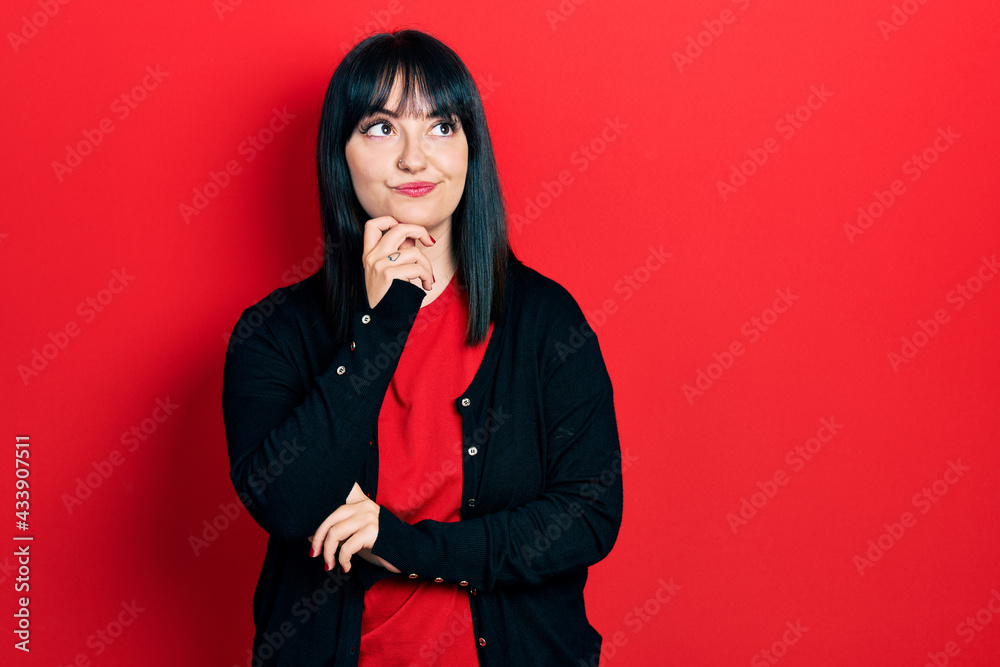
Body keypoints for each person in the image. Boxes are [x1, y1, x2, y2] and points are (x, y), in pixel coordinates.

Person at [222, 29, 623, 667]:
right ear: (340, 154)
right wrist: (383, 322)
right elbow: (288, 503)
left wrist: (403, 544)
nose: (415, 158)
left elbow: (589, 515)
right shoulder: (273, 334)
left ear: (471, 151)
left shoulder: (545, 321)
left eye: (441, 126)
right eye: (381, 128)